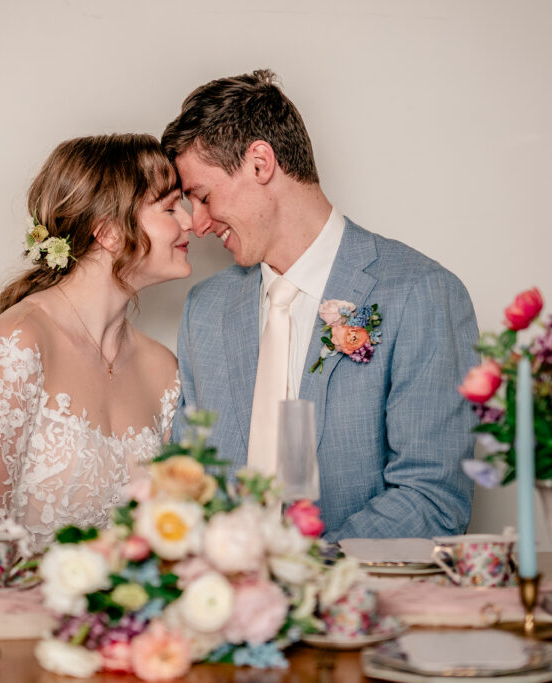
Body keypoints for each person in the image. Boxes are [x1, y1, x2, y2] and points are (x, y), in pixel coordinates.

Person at [162, 70, 478, 540]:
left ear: (260, 162)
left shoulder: (420, 293)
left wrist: (303, 576)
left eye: (203, 197)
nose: (200, 224)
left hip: (349, 598)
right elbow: (183, 486)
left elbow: (433, 496)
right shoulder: (206, 310)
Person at [0, 134, 192, 554]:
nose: (190, 222)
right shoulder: (19, 342)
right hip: (6, 595)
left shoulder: (163, 368)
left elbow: (170, 530)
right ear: (110, 232)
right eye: (169, 207)